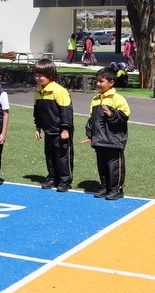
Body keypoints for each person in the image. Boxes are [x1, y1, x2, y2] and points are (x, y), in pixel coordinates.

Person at [82, 66, 131, 200]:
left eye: (101, 81)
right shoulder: (96, 99)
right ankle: (105, 186)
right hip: (99, 140)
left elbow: (125, 116)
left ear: (111, 83)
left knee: (114, 166)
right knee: (102, 165)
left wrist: (112, 114)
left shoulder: (118, 99)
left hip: (113, 140)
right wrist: (90, 135)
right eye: (97, 81)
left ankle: (116, 189)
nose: (98, 84)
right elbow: (92, 119)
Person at [33, 58, 74, 192]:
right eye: (36, 75)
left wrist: (65, 129)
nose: (38, 78)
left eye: (42, 75)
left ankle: (65, 180)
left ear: (50, 75)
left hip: (60, 130)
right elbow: (37, 111)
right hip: (48, 130)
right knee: (49, 154)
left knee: (62, 155)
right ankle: (52, 177)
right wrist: (38, 127)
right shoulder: (38, 91)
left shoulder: (59, 90)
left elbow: (66, 111)